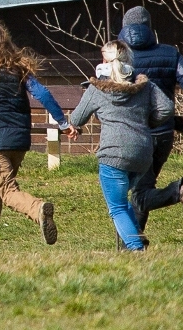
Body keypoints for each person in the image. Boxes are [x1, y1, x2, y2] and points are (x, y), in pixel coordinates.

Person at [0, 22, 79, 258]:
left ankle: (37, 209)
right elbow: (43, 93)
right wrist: (63, 123)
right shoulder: (20, 69)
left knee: (8, 191)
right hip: (18, 142)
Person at [118, 6, 183, 230]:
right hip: (163, 134)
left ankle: (178, 191)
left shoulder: (117, 57)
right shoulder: (169, 53)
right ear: (149, 28)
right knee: (143, 189)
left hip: (132, 135)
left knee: (138, 195)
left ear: (124, 29)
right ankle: (132, 246)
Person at [69, 41, 174, 251]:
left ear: (105, 63)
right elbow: (167, 108)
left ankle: (136, 249)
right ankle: (136, 237)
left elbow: (77, 118)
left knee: (116, 207)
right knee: (123, 201)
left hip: (114, 155)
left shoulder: (97, 89)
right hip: (142, 155)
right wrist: (147, 122)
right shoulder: (145, 86)